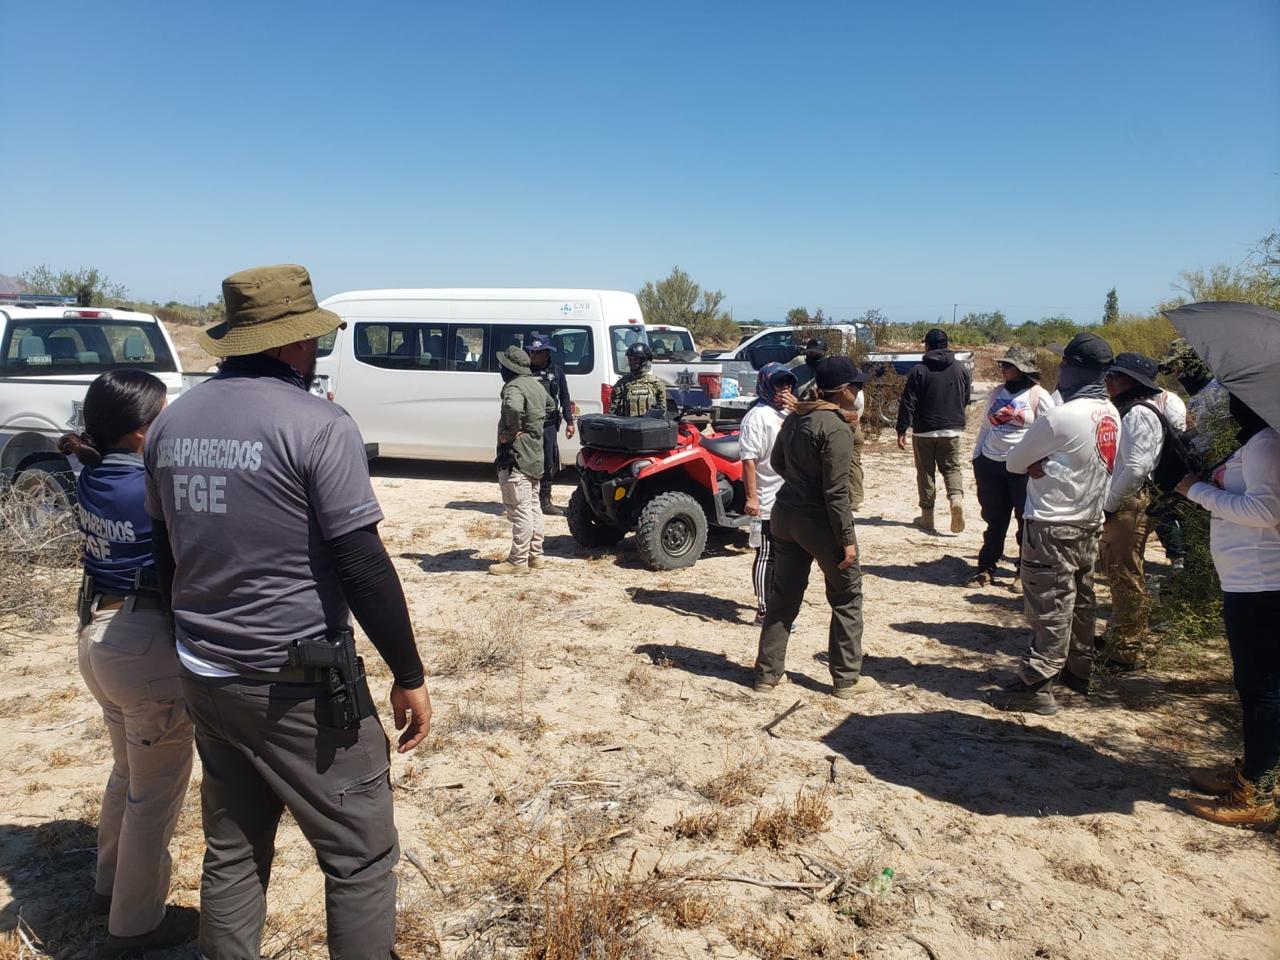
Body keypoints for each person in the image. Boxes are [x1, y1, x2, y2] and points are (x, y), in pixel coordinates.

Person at [144, 264, 432, 959]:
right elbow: (361, 563)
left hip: (206, 674)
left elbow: (164, 556)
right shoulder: (319, 425)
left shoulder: (170, 424)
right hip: (299, 686)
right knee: (359, 856)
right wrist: (409, 672)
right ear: (293, 345)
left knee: (234, 847)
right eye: (311, 340)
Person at [57, 371, 198, 959]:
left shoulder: (92, 474)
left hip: (101, 637)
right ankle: (135, 925)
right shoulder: (148, 483)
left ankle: (108, 887)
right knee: (155, 795)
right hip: (145, 646)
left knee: (127, 773)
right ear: (143, 433)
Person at [990, 332, 1120, 714]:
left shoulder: (1061, 416)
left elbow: (1013, 462)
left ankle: (1034, 686)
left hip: (1052, 523)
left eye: (1064, 364)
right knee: (1081, 599)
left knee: (1050, 606)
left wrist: (1038, 464)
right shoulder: (1110, 412)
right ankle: (1078, 672)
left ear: (1075, 369)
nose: (1059, 370)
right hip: (1088, 519)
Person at [1178, 394, 1280, 829]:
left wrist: (1194, 490)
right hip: (1246, 580)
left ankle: (1256, 790)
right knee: (1255, 686)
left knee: (1262, 689)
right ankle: (1252, 769)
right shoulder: (1255, 442)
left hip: (1262, 583)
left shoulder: (1266, 444)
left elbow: (1266, 510)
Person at [753, 357, 876, 699]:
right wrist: (847, 540)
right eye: (858, 386)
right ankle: (847, 679)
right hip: (819, 522)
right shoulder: (836, 427)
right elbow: (837, 492)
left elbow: (777, 462)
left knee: (784, 597)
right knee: (847, 595)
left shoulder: (797, 415)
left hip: (785, 515)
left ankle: (767, 674)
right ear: (845, 391)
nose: (860, 391)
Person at [1099, 352, 1167, 669]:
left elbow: (1136, 467)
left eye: (1117, 376)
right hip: (1127, 497)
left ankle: (1127, 648)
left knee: (1126, 572)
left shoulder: (1139, 413)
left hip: (1130, 500)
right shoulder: (1129, 410)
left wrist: (1109, 504)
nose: (1109, 381)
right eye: (1109, 375)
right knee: (1119, 569)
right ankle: (1121, 633)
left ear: (1134, 382)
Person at [969, 346, 1054, 587]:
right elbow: (986, 427)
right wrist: (977, 457)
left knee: (1024, 521)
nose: (1003, 369)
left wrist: (1042, 463)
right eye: (1003, 365)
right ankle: (985, 567)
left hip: (1022, 470)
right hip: (990, 464)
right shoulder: (997, 393)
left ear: (1023, 369)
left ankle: (1022, 571)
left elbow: (1051, 433)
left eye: (1009, 365)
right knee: (994, 520)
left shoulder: (1039, 396)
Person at [896, 328, 972, 533]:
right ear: (946, 345)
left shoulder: (919, 370)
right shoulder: (960, 369)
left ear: (927, 346)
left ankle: (927, 517)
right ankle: (956, 498)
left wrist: (901, 429)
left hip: (924, 430)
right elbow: (966, 397)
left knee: (926, 473)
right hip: (952, 429)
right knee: (952, 468)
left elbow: (908, 402)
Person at [740, 362, 798, 625]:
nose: (784, 388)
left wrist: (798, 408)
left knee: (784, 554)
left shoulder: (789, 413)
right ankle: (764, 609)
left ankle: (777, 604)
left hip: (788, 497)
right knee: (765, 552)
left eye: (788, 383)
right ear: (765, 385)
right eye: (779, 383)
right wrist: (752, 497)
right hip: (765, 496)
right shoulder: (757, 416)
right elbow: (749, 460)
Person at [492, 345, 552, 575]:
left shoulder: (514, 387)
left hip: (516, 455)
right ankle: (536, 556)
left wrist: (512, 430)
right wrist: (533, 425)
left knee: (520, 510)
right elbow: (549, 405)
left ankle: (517, 561)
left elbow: (512, 406)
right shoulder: (536, 385)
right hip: (535, 454)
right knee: (533, 506)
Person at [526, 333, 575, 516]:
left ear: (546, 353)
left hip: (549, 425)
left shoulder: (557, 371)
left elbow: (565, 396)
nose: (533, 356)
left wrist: (570, 422)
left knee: (548, 461)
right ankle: (527, 500)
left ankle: (545, 499)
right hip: (529, 425)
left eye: (537, 353)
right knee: (527, 461)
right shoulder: (524, 371)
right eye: (531, 352)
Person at [610, 341, 668, 416]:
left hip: (649, 426)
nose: (631, 363)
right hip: (627, 425)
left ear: (644, 360)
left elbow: (662, 411)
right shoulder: (622, 383)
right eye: (630, 359)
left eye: (635, 359)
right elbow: (613, 411)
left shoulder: (656, 383)